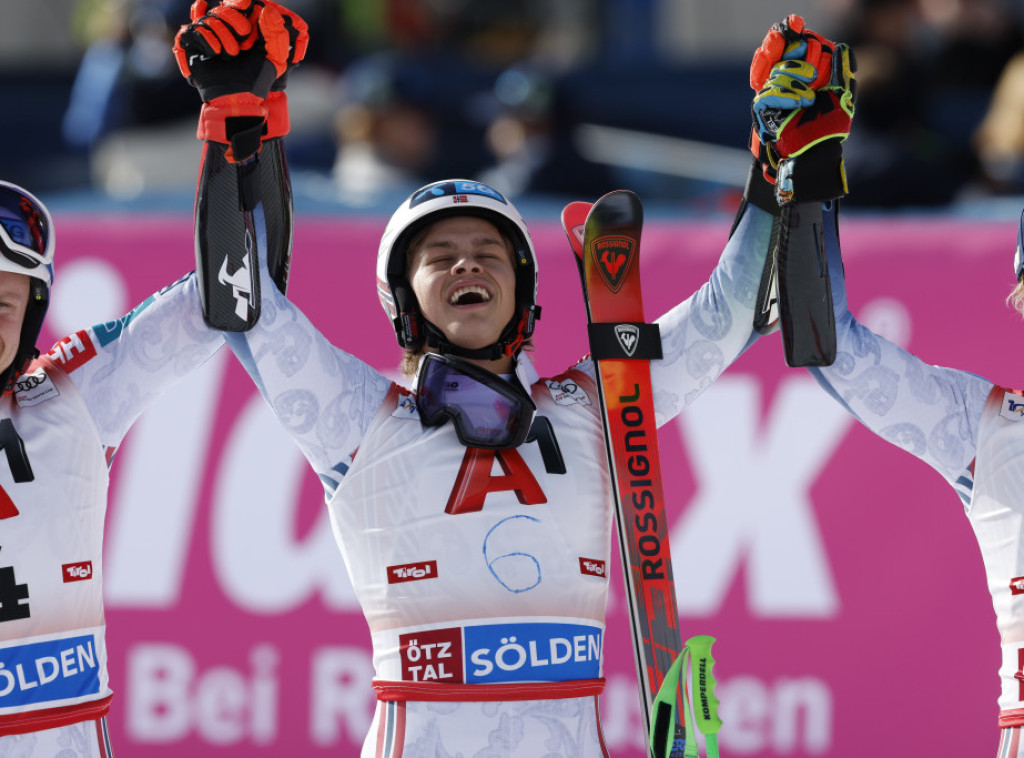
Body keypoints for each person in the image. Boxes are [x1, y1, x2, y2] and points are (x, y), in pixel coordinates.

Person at [174, 4, 844, 755]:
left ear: (524, 294)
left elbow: (733, 314)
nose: (467, 264)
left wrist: (777, 165)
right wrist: (238, 117)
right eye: (441, 257)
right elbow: (246, 302)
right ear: (403, 303)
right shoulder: (359, 418)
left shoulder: (598, 404)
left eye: (488, 253)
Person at [0, 188, 225, 754]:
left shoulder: (66, 398)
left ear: (31, 316)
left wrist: (237, 145)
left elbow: (228, 293)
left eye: (0, 305)